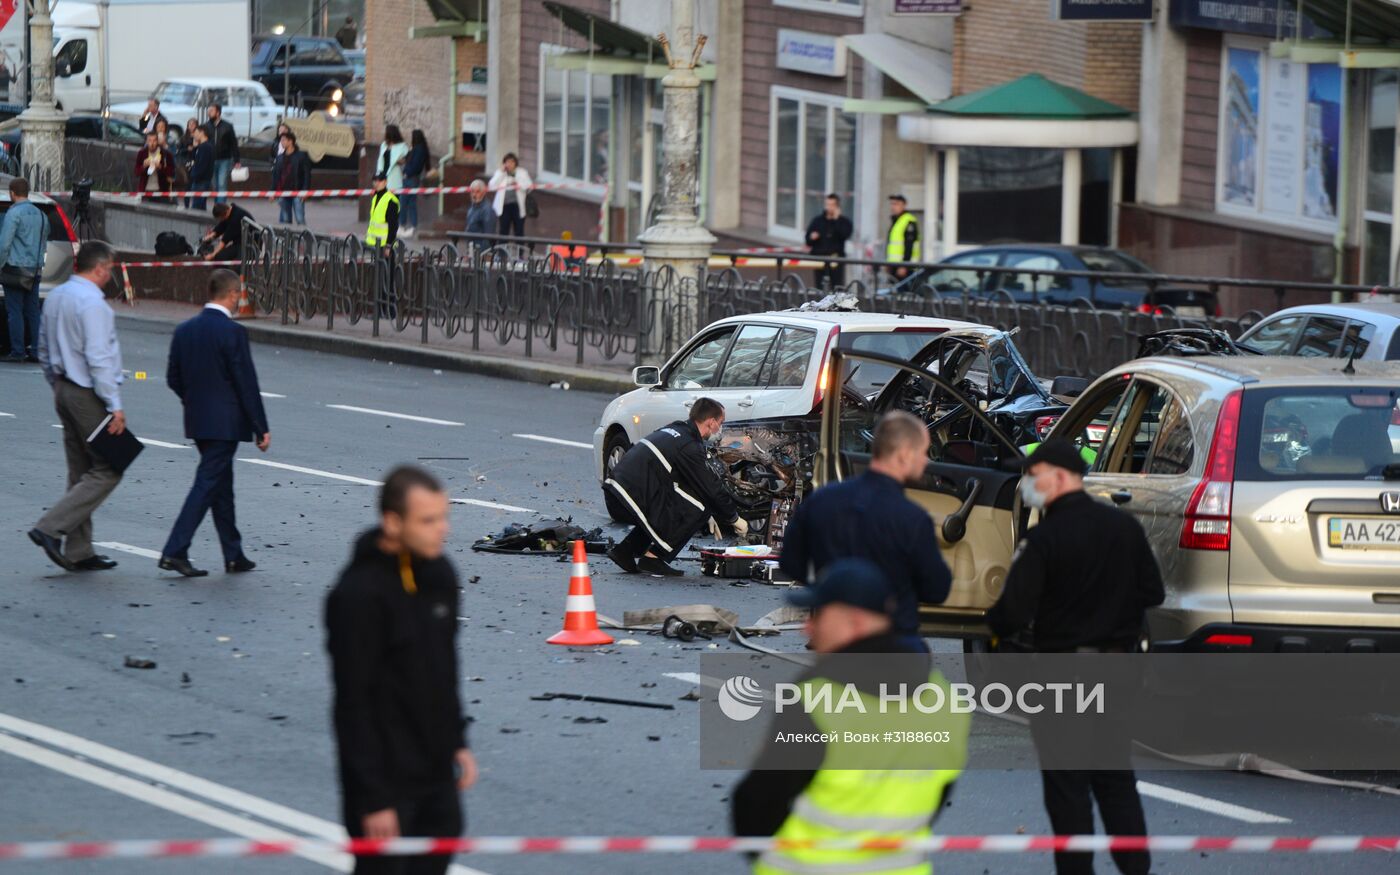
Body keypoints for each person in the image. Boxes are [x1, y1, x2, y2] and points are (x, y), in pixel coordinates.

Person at [986, 438, 1165, 875]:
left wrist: (991, 625)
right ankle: (1135, 867)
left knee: (1068, 785)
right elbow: (1153, 592)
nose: (1027, 483)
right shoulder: (1123, 528)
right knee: (1115, 778)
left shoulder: (1043, 539)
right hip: (1118, 670)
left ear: (1061, 477)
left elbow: (1011, 614)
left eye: (1033, 474)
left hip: (1062, 673)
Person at [731, 558, 968, 875]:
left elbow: (758, 801)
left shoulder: (817, 700)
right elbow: (938, 796)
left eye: (819, 615)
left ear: (854, 622)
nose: (808, 627)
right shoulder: (946, 700)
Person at [326, 466, 478, 874]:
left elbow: (444, 671)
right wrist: (373, 799)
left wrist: (457, 740)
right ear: (393, 523)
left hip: (435, 774)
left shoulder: (440, 576)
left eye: (444, 517)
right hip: (385, 780)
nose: (441, 530)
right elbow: (352, 705)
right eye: (427, 521)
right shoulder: (357, 596)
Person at [778, 410, 951, 652]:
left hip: (836, 643)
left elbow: (790, 562)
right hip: (894, 643)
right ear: (903, 454)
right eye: (923, 452)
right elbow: (937, 589)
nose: (926, 461)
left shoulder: (822, 500)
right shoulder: (912, 517)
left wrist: (830, 591)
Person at [157, 270, 270, 578]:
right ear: (232, 294)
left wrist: (193, 401)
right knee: (207, 484)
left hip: (198, 421)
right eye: (239, 295)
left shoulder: (185, 330)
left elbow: (173, 378)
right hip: (226, 424)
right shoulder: (233, 333)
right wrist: (260, 426)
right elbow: (245, 382)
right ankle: (174, 550)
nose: (239, 300)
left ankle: (233, 554)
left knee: (221, 486)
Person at [28, 242, 125, 573]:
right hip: (87, 393)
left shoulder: (56, 297)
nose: (110, 275)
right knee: (110, 467)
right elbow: (99, 357)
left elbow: (42, 346)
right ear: (98, 268)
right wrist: (115, 405)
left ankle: (79, 550)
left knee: (81, 469)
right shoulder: (93, 304)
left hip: (63, 389)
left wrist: (56, 384)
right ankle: (50, 527)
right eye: (109, 269)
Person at [602, 397, 747, 577]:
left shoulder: (676, 428)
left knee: (672, 506)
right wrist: (733, 517)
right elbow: (710, 487)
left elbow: (683, 479)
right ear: (711, 422)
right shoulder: (690, 446)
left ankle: (624, 552)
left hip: (617, 490)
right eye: (721, 423)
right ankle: (654, 558)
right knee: (701, 506)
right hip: (629, 496)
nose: (721, 429)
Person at [0, 177, 49, 363]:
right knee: (33, 311)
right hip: (35, 269)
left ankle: (18, 351)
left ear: (12, 193)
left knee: (14, 311)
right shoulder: (41, 215)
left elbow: (5, 244)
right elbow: (43, 242)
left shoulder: (13, 214)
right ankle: (36, 350)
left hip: (14, 269)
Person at [805, 193, 853, 290]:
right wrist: (812, 237)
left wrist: (836, 220)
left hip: (836, 260)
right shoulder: (818, 221)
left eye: (832, 205)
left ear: (837, 207)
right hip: (819, 259)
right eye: (827, 204)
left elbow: (845, 235)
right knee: (820, 288)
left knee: (837, 288)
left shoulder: (844, 221)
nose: (829, 208)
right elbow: (808, 240)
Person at [488, 152, 532, 239]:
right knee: (503, 231)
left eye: (512, 162)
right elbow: (491, 186)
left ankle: (520, 251)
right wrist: (501, 173)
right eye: (507, 162)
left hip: (517, 206)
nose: (510, 164)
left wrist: (517, 183)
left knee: (519, 231)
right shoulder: (500, 173)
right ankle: (502, 251)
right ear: (504, 163)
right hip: (504, 206)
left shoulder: (522, 172)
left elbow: (529, 186)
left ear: (515, 163)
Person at [273, 130, 311, 225]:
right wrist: (273, 191)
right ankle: (287, 240)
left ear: (291, 141)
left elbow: (307, 174)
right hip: (283, 192)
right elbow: (276, 175)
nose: (282, 142)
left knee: (300, 218)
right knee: (286, 220)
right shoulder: (279, 158)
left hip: (297, 192)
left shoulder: (301, 156)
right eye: (281, 140)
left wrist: (305, 190)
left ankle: (304, 239)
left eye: (284, 140)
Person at [206, 104, 242, 204]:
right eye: (208, 111)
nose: (209, 113)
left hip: (224, 159)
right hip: (211, 159)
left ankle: (220, 206)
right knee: (214, 184)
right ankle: (217, 204)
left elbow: (233, 143)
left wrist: (237, 160)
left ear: (218, 113)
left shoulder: (227, 126)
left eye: (211, 111)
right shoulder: (206, 126)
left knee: (222, 183)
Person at [400, 129, 431, 238]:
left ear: (415, 138)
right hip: (413, 178)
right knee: (410, 203)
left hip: (410, 179)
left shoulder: (418, 149)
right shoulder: (420, 149)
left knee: (404, 202)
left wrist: (406, 173)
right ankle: (412, 226)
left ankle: (404, 225)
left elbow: (415, 166)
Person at [886, 193, 920, 281]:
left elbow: (909, 245)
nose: (893, 207)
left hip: (905, 267)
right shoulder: (896, 220)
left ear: (904, 205)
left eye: (896, 204)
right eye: (892, 204)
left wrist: (904, 266)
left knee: (904, 293)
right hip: (894, 265)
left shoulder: (908, 220)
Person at [135, 130, 174, 203]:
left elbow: (171, 172)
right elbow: (136, 172)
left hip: (161, 191)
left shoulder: (166, 154)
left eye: (154, 140)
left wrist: (160, 167)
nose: (152, 143)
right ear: (146, 141)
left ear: (157, 141)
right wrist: (143, 166)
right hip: (145, 191)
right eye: (149, 141)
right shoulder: (142, 153)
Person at [366, 172, 399, 252]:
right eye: (374, 181)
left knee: (388, 264)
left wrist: (388, 246)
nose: (376, 183)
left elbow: (393, 226)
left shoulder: (391, 200)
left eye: (379, 181)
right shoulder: (375, 197)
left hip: (385, 246)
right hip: (375, 244)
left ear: (385, 182)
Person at [187, 125, 214, 211]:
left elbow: (202, 164)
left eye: (196, 132)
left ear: (202, 133)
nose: (194, 135)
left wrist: (194, 175)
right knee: (200, 205)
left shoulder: (205, 147)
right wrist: (195, 148)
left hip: (201, 181)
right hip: (202, 179)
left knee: (197, 206)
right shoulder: (203, 147)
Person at [376, 125, 409, 193]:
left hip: (394, 175)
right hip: (383, 174)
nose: (384, 134)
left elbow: (406, 160)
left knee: (393, 200)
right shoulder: (384, 145)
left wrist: (400, 161)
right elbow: (380, 160)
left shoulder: (402, 146)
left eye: (386, 132)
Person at [463, 179, 493, 246]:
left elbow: (489, 235)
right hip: (472, 247)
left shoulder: (487, 210)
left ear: (484, 192)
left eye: (477, 192)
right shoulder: (471, 208)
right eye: (472, 192)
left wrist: (485, 253)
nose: (474, 195)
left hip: (481, 249)